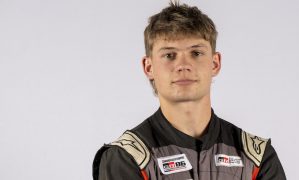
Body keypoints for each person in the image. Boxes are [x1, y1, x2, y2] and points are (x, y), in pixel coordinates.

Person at [92, 1, 286, 180]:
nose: (183, 65)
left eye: (196, 53)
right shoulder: (127, 156)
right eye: (170, 55)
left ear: (215, 63)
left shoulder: (256, 156)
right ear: (149, 67)